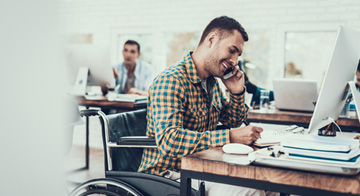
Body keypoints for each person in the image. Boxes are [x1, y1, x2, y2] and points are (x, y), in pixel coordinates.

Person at [138, 16, 275, 196]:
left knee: (270, 185)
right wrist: (230, 137)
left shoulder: (211, 83)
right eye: (232, 50)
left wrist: (236, 93)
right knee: (251, 191)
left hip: (199, 168)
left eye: (238, 55)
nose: (234, 61)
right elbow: (170, 141)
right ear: (212, 40)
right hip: (168, 175)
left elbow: (232, 121)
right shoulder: (171, 80)